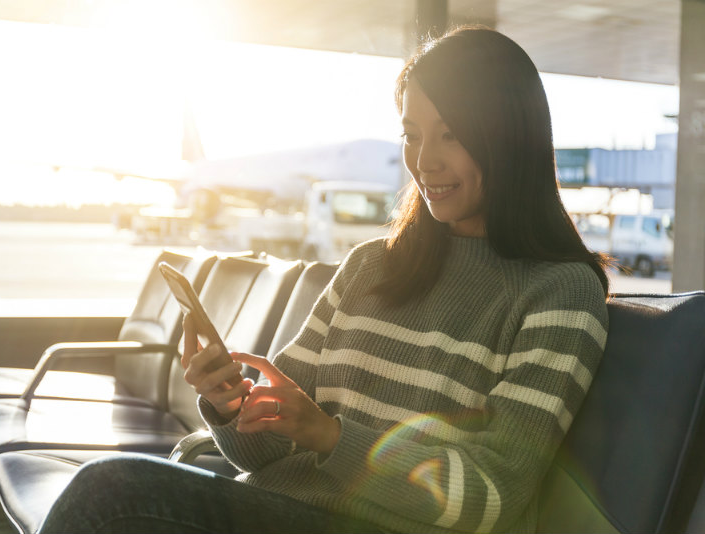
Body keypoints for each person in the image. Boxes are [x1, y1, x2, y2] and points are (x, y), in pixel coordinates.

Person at [39, 25, 610, 534]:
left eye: (451, 135)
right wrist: (230, 403)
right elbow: (260, 455)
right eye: (412, 134)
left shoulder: (559, 293)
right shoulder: (369, 267)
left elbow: (491, 501)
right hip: (280, 507)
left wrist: (331, 438)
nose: (424, 161)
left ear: (507, 136)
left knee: (109, 495)